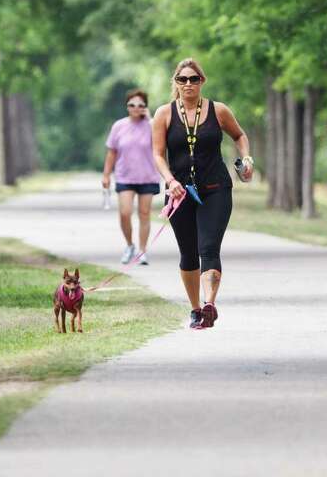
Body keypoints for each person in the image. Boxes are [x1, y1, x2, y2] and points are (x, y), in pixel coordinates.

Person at [152, 58, 253, 330]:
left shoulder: (218, 111)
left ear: (202, 82)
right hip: (179, 193)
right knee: (188, 253)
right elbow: (158, 155)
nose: (188, 84)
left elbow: (239, 135)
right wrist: (170, 180)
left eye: (193, 79)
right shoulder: (164, 114)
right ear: (175, 82)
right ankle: (196, 308)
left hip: (215, 190)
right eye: (182, 79)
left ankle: (210, 305)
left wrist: (247, 160)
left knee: (208, 248)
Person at [103, 89, 159, 265]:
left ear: (145, 107)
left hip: (148, 177)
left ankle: (142, 251)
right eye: (132, 105)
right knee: (125, 213)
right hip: (124, 177)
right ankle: (129, 245)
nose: (136, 108)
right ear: (127, 106)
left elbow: (161, 144)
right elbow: (112, 152)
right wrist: (106, 174)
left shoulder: (152, 126)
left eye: (140, 105)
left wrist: (150, 119)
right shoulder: (119, 126)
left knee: (144, 214)